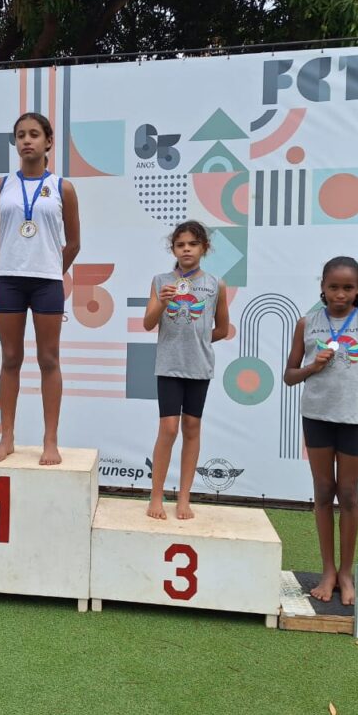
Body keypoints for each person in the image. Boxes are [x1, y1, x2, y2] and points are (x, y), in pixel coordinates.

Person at [284, 256, 358, 605]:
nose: (340, 294)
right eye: (333, 287)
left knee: (349, 493)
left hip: (355, 419)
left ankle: (346, 573)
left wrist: (354, 394)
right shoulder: (307, 323)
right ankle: (327, 570)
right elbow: (289, 376)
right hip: (317, 417)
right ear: (323, 288)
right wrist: (312, 367)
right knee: (324, 491)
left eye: (348, 288)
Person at [0, 112, 80, 466]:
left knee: (48, 359)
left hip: (47, 283)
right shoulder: (1, 186)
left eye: (35, 134)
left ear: (48, 142)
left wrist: (49, 269)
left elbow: (74, 243)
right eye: (21, 134)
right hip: (9, 281)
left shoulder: (63, 188)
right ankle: (6, 437)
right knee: (10, 358)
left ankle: (50, 440)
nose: (27, 140)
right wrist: (13, 264)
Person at [143, 221, 229, 520]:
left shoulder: (216, 285)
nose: (187, 249)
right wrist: (162, 302)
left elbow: (223, 328)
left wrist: (199, 341)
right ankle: (156, 497)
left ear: (204, 248)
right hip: (169, 365)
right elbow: (148, 323)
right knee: (168, 428)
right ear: (173, 249)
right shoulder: (160, 281)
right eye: (180, 245)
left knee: (192, 428)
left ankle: (184, 498)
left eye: (193, 244)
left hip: (199, 367)